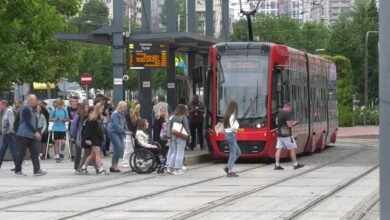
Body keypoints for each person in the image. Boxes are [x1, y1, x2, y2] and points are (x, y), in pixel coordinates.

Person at [14, 94, 47, 176]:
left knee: (35, 152)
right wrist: (35, 132)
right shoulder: (26, 109)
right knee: (22, 152)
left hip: (30, 135)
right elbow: (27, 122)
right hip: (24, 134)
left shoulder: (30, 109)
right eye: (35, 100)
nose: (36, 101)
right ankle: (17, 171)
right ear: (30, 100)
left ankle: (37, 170)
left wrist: (34, 132)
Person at [274, 102, 304, 170]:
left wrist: (291, 122)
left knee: (279, 149)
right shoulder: (286, 114)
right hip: (286, 134)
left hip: (280, 134)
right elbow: (289, 125)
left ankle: (277, 164)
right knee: (292, 149)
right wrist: (295, 123)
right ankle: (295, 164)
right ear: (288, 107)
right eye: (291, 108)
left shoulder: (280, 113)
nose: (291, 110)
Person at [80, 103, 107, 175]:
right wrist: (87, 138)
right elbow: (88, 130)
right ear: (98, 109)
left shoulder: (98, 118)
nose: (102, 110)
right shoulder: (92, 119)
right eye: (101, 109)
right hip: (94, 139)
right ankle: (100, 170)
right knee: (98, 154)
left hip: (97, 138)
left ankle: (84, 168)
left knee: (93, 155)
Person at [166, 104, 191, 175]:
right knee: (180, 152)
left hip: (173, 136)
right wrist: (189, 137)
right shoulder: (184, 117)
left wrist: (169, 137)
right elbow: (187, 128)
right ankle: (177, 169)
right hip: (181, 137)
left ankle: (170, 168)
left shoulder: (172, 117)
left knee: (174, 152)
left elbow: (169, 127)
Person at [107, 101, 129, 173]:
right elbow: (116, 125)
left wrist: (127, 130)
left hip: (120, 132)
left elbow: (124, 123)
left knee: (120, 148)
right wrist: (124, 131)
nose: (126, 108)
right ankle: (115, 165)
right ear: (121, 107)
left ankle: (113, 165)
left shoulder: (122, 113)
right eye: (125, 107)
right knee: (119, 146)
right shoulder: (115, 114)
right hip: (113, 132)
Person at [223, 101, 241, 177]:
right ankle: (229, 171)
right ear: (234, 108)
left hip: (228, 134)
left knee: (238, 152)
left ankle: (228, 167)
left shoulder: (226, 115)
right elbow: (233, 128)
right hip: (231, 135)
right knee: (233, 154)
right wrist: (237, 126)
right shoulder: (232, 116)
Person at [70, 103, 88, 173]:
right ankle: (77, 167)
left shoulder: (86, 116)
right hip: (78, 136)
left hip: (84, 135)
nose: (87, 108)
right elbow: (73, 126)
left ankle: (81, 167)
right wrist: (73, 136)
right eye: (86, 107)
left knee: (85, 152)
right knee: (78, 152)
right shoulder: (78, 116)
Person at [0, 100, 18, 170]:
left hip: (9, 134)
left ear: (4, 104)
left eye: (0, 105)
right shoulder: (4, 112)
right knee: (2, 150)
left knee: (13, 150)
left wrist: (11, 132)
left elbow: (11, 123)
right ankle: (17, 166)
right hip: (5, 134)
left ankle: (18, 166)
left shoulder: (9, 112)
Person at [123, 102, 141, 167]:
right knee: (128, 148)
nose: (139, 109)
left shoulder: (137, 115)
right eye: (137, 108)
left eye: (139, 108)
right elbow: (129, 125)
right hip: (130, 133)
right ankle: (125, 161)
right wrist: (132, 132)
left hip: (135, 133)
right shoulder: (128, 115)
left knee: (133, 148)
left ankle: (134, 160)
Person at [67, 96, 79, 161]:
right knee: (71, 141)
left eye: (75, 101)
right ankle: (72, 155)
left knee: (78, 141)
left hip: (78, 127)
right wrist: (70, 120)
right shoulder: (68, 108)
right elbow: (66, 117)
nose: (74, 103)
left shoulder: (79, 108)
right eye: (72, 101)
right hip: (70, 127)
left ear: (77, 102)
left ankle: (77, 154)